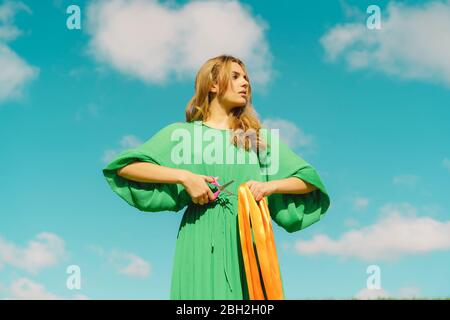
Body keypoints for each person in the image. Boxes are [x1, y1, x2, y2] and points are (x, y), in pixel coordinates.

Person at [102, 54, 331, 299]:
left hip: (248, 239)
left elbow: (308, 180)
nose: (245, 83)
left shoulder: (254, 138)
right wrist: (184, 177)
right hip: (199, 236)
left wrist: (270, 187)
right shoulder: (182, 135)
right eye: (235, 76)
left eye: (246, 78)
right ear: (212, 84)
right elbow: (125, 167)